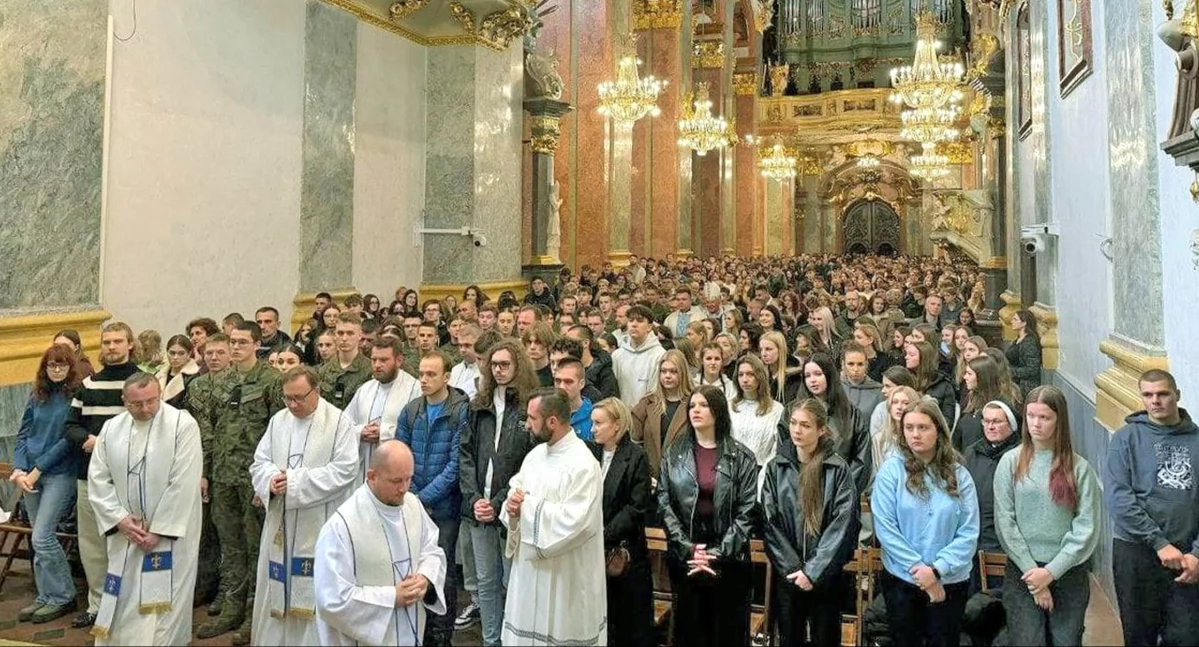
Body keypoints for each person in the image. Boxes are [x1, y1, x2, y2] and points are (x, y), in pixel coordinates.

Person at [86, 373, 203, 645]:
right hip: (126, 534)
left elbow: (184, 482)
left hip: (169, 538)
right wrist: (120, 520)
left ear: (160, 393)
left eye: (152, 401)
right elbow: (98, 478)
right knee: (124, 601)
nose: (146, 409)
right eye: (136, 404)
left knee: (163, 608)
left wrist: (159, 531)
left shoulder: (181, 425)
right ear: (124, 401)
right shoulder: (112, 428)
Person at [249, 366, 358, 645]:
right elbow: (259, 462)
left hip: (319, 521)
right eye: (288, 398)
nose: (293, 405)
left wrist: (294, 482)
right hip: (281, 524)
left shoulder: (338, 422)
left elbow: (346, 470)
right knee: (277, 588)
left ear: (317, 391)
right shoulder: (278, 421)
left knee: (315, 589)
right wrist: (271, 481)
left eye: (299, 397)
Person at [193, 321, 284, 644]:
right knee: (230, 547)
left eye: (242, 342)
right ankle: (231, 608)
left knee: (256, 547)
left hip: (253, 480)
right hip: (223, 476)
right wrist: (205, 472)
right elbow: (210, 430)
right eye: (232, 342)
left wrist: (267, 482)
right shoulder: (222, 382)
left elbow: (279, 435)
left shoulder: (272, 381)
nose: (235, 348)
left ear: (257, 345)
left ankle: (252, 615)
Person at [994, 386, 1101, 646]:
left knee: (1066, 640)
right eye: (1031, 416)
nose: (1036, 424)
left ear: (1059, 420)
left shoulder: (1079, 468)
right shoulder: (1010, 462)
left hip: (1067, 570)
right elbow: (1005, 522)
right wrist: (1034, 574)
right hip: (1023, 570)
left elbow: (1086, 528)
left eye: (1045, 417)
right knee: (1027, 639)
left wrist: (1050, 573)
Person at [499, 388, 607, 646]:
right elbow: (516, 491)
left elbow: (578, 522)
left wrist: (527, 508)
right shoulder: (535, 456)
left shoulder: (583, 464)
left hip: (566, 575)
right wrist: (512, 506)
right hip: (529, 571)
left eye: (532, 418)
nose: (526, 425)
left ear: (552, 422)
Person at [314, 441, 448, 646]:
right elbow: (331, 600)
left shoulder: (412, 505)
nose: (404, 489)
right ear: (371, 476)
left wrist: (425, 578)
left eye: (408, 479)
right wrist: (391, 597)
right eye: (396, 481)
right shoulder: (341, 526)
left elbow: (431, 549)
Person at [873, 398, 979, 647]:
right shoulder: (892, 471)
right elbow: (886, 528)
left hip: (949, 580)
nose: (915, 434)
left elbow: (968, 531)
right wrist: (919, 569)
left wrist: (936, 571)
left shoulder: (959, 475)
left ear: (938, 431)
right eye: (909, 428)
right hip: (902, 578)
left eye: (923, 427)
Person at [1104, 369, 1199, 647]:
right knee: (1138, 635)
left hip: (1187, 557)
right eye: (1148, 394)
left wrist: (1196, 553)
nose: (1155, 400)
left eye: (1163, 394)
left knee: (1187, 636)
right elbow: (1119, 498)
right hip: (1136, 553)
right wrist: (1158, 542)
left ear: (1177, 395)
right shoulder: (1125, 439)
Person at [658, 385, 758, 647]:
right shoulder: (674, 454)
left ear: (718, 411)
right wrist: (689, 549)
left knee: (727, 634)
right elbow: (664, 503)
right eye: (692, 406)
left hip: (729, 559)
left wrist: (717, 553)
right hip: (687, 556)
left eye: (703, 405)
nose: (696, 411)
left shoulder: (742, 457)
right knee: (689, 631)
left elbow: (747, 512)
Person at [459, 339, 539, 646]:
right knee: (486, 582)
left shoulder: (528, 407)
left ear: (518, 366)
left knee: (510, 581)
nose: (499, 370)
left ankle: (511, 639)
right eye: (494, 364)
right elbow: (465, 454)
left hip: (510, 510)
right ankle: (491, 640)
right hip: (478, 507)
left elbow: (528, 464)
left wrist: (496, 502)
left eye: (505, 364)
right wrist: (475, 499)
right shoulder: (478, 405)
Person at [762, 399, 860, 647]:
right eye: (793, 423)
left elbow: (843, 525)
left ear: (821, 430)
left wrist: (813, 571)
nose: (797, 430)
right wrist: (793, 569)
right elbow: (769, 521)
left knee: (825, 637)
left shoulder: (838, 469)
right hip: (789, 573)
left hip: (825, 576)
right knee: (788, 637)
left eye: (805, 425)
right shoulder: (776, 468)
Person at [65, 322, 141, 630]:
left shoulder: (142, 382)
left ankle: (130, 604)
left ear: (129, 345)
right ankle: (99, 605)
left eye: (118, 341)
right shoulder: (89, 384)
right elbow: (70, 425)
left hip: (130, 478)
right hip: (89, 476)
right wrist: (90, 441)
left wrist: (113, 445)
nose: (111, 347)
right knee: (93, 543)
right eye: (107, 342)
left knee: (130, 542)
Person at [396, 351, 470, 647]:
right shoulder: (412, 409)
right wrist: (410, 495)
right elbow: (400, 454)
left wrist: (423, 497)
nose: (423, 380)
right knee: (414, 567)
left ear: (447, 377)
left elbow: (456, 465)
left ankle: (442, 634)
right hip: (412, 501)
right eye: (421, 374)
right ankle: (421, 629)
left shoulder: (460, 410)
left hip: (443, 506)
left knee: (443, 571)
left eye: (431, 374)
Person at [12, 345, 82, 624]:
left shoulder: (75, 395)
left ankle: (64, 595)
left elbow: (68, 440)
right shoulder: (37, 394)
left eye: (62, 365)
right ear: (45, 367)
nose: (56, 370)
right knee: (38, 539)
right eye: (52, 365)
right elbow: (23, 433)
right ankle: (45, 595)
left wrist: (37, 469)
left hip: (58, 473)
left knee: (43, 536)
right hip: (29, 474)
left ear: (70, 367)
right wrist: (19, 468)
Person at [589, 397, 654, 647]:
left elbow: (636, 507)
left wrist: (603, 534)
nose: (593, 428)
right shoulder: (590, 452)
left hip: (624, 552)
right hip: (593, 550)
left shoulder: (636, 457)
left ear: (616, 425)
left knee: (627, 622)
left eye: (598, 423)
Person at [345, 338, 421, 486]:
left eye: (383, 360)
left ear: (399, 360)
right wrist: (361, 431)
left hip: (397, 470)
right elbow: (345, 424)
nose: (377, 365)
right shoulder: (365, 389)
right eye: (374, 360)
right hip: (364, 468)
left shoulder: (414, 389)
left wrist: (384, 432)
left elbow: (418, 431)